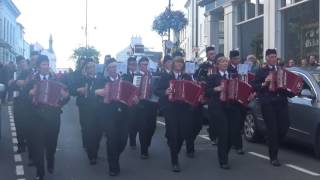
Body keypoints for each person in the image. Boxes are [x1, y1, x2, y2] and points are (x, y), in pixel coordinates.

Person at [27, 55, 70, 180]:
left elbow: (66, 97)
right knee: (38, 146)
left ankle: (50, 159)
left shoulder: (56, 80)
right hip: (37, 118)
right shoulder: (32, 81)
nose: (45, 66)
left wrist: (62, 100)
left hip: (53, 117)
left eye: (47, 64)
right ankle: (40, 172)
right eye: (43, 64)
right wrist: (30, 94)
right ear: (38, 66)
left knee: (51, 144)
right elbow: (24, 97)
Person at [251, 49, 294, 167]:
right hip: (268, 103)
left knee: (284, 126)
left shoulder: (282, 70)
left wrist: (294, 91)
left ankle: (270, 140)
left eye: (275, 56)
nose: (273, 58)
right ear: (266, 58)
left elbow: (287, 87)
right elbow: (254, 86)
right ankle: (273, 157)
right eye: (271, 56)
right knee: (273, 129)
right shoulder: (261, 71)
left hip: (281, 102)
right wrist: (264, 83)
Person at [94, 60, 132, 176]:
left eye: (115, 67)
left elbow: (132, 94)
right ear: (107, 69)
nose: (113, 69)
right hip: (108, 115)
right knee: (112, 140)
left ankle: (115, 156)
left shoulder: (125, 80)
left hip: (124, 114)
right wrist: (99, 93)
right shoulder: (102, 81)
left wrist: (134, 99)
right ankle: (113, 166)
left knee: (123, 141)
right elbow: (94, 93)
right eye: (110, 67)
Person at [205, 56, 242, 169]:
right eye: (222, 61)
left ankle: (224, 153)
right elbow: (206, 91)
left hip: (231, 107)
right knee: (223, 133)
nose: (225, 63)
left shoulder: (233, 76)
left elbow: (239, 88)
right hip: (218, 107)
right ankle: (223, 160)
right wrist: (216, 89)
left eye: (226, 61)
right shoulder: (213, 77)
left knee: (232, 134)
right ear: (217, 65)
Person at [158, 56, 194, 172]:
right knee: (173, 134)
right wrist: (165, 91)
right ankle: (175, 161)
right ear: (173, 64)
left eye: (181, 63)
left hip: (184, 108)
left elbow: (192, 90)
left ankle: (175, 149)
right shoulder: (166, 77)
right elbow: (156, 90)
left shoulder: (187, 77)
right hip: (170, 108)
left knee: (182, 134)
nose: (179, 64)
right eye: (177, 62)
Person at [74, 60, 101, 165]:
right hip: (86, 108)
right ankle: (92, 155)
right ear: (86, 69)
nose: (91, 69)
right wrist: (78, 90)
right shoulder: (81, 79)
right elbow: (72, 89)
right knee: (88, 131)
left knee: (98, 133)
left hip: (99, 109)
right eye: (89, 67)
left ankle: (94, 149)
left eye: (93, 67)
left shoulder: (100, 78)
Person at [132, 57, 158, 159]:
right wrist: (137, 97)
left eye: (146, 64)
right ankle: (144, 150)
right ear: (139, 65)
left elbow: (156, 89)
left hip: (152, 104)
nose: (145, 66)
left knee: (152, 127)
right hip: (141, 104)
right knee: (143, 127)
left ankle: (147, 143)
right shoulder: (137, 76)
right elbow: (133, 90)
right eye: (143, 64)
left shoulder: (152, 76)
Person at [193, 46, 218, 145]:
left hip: (218, 92)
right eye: (211, 54)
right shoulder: (203, 66)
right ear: (207, 55)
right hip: (208, 92)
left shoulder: (218, 64)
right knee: (212, 116)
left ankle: (215, 134)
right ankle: (213, 136)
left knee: (217, 116)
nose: (213, 55)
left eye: (214, 53)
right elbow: (197, 78)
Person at [9, 56, 29, 153]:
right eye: (20, 63)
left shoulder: (29, 72)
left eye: (23, 62)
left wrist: (15, 82)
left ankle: (26, 143)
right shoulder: (15, 73)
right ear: (17, 64)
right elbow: (11, 85)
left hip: (27, 102)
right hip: (17, 101)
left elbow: (25, 84)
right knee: (18, 124)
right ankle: (21, 145)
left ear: (25, 62)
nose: (22, 64)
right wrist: (16, 83)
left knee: (26, 124)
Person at [228, 50, 245, 155]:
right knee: (235, 122)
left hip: (242, 98)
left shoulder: (242, 68)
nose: (238, 60)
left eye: (238, 58)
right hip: (232, 99)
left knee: (240, 122)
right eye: (236, 59)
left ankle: (234, 140)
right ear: (231, 59)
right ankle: (238, 145)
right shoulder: (228, 69)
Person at [122, 57, 139, 148]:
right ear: (128, 66)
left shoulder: (139, 75)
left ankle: (133, 137)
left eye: (135, 64)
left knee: (136, 122)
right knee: (131, 122)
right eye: (132, 64)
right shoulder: (125, 76)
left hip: (137, 102)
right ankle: (132, 140)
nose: (134, 66)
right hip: (128, 103)